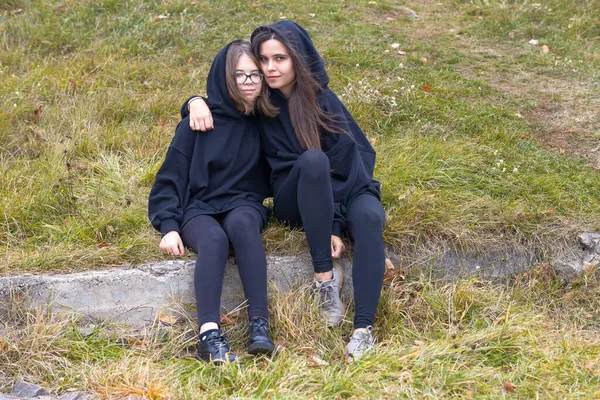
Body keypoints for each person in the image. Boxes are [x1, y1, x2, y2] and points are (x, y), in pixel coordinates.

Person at [182, 21, 386, 361]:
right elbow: (225, 102)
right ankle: (325, 278)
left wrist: (334, 222)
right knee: (312, 161)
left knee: (367, 219)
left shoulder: (324, 101)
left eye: (280, 58)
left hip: (349, 189)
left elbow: (354, 162)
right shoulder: (262, 105)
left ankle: (363, 330)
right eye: (264, 60)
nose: (270, 68)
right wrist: (193, 102)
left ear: (298, 60)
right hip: (295, 201)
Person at [148, 39, 278, 364]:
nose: (248, 83)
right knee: (214, 239)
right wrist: (168, 227)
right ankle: (209, 336)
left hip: (244, 203)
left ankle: (259, 326)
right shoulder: (198, 122)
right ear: (225, 78)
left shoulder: (265, 121)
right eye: (240, 75)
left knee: (243, 224)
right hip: (199, 208)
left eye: (255, 75)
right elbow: (169, 180)